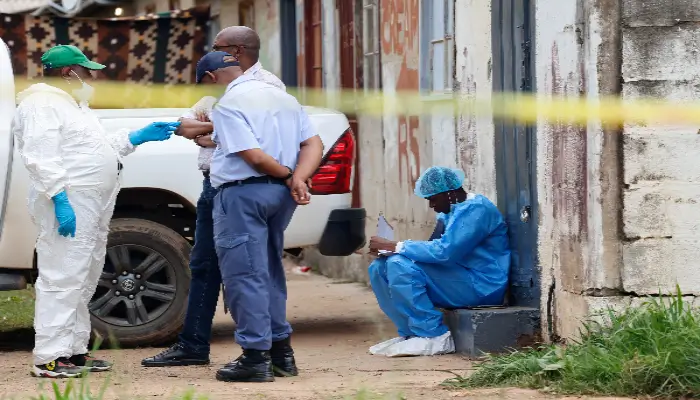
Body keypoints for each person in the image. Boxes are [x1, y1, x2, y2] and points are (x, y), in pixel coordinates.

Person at [12, 45, 180, 378]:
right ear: (67, 73)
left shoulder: (74, 106)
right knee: (62, 278)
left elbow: (97, 149)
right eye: (86, 71)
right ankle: (49, 358)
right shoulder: (41, 104)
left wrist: (136, 137)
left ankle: (74, 352)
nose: (92, 77)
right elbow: (40, 156)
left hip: (90, 204)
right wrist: (60, 200)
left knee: (84, 277)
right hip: (69, 201)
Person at [141, 48, 289, 368]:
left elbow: (250, 142)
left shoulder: (262, 88)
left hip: (244, 186)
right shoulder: (230, 94)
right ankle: (201, 344)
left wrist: (212, 132)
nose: (218, 51)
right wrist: (210, 132)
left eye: (222, 47)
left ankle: (260, 356)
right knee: (208, 265)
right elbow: (188, 125)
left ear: (236, 53)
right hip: (225, 184)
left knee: (246, 273)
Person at [201, 26, 323, 383]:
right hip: (279, 198)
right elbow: (313, 143)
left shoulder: (230, 103)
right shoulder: (283, 96)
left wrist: (289, 175)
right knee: (268, 271)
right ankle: (282, 354)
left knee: (244, 275)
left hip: (243, 194)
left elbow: (252, 156)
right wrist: (298, 178)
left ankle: (255, 358)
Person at [367, 166, 511, 357]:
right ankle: (411, 333)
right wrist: (389, 251)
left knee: (399, 265)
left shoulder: (477, 210)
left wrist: (397, 246)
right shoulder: (449, 211)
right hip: (459, 278)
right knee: (379, 268)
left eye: (433, 199)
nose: (431, 205)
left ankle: (434, 335)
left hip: (482, 285)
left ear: (449, 193)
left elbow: (445, 252)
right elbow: (431, 247)